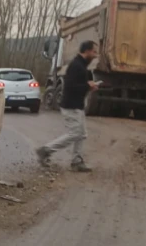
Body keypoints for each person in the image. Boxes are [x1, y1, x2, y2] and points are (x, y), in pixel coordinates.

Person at [36, 40, 99, 172]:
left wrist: (89, 86)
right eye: (94, 52)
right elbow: (71, 87)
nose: (96, 55)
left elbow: (79, 86)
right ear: (86, 51)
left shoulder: (81, 66)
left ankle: (77, 161)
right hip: (71, 106)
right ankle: (46, 150)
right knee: (75, 133)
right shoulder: (76, 66)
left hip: (78, 106)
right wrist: (88, 86)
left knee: (81, 134)